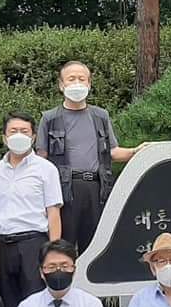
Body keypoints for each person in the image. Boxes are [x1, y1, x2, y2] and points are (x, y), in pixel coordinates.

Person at [35, 61, 148, 252]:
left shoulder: (100, 116)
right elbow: (41, 159)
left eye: (82, 79)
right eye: (71, 79)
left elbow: (112, 152)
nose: (77, 83)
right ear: (61, 85)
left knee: (95, 244)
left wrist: (136, 151)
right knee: (64, 246)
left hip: (97, 188)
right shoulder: (50, 118)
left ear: (89, 83)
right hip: (64, 190)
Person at [0, 111, 63, 307]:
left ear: (33, 137)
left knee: (36, 302)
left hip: (34, 243)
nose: (19, 135)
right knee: (7, 304)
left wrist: (53, 252)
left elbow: (53, 213)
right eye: (13, 131)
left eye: (24, 131)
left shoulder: (46, 169)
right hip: (3, 244)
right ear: (4, 137)